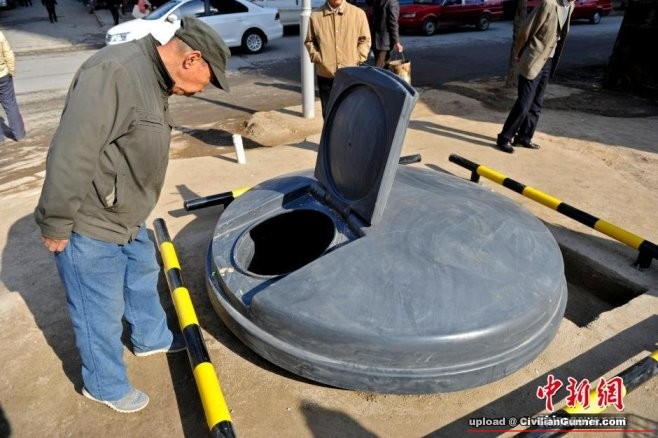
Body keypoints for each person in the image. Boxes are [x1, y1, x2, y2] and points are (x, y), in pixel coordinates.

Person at [34, 17, 230, 414]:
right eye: (209, 80)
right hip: (92, 220)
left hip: (127, 216)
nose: (204, 89)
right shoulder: (116, 72)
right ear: (192, 59)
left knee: (142, 275)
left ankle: (150, 338)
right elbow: (73, 149)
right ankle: (103, 385)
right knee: (98, 310)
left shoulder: (154, 79)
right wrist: (56, 220)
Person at [495, 0, 574, 153]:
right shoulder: (548, 4)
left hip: (548, 61)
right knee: (524, 104)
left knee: (536, 104)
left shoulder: (570, 6)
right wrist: (518, 54)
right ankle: (504, 138)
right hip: (532, 59)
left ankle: (524, 137)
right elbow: (526, 30)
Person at [304, 0, 371, 119]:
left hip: (351, 75)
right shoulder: (315, 16)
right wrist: (319, 58)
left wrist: (357, 58)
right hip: (326, 75)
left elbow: (365, 40)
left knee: (350, 114)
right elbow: (310, 41)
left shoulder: (358, 13)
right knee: (329, 115)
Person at [0, 31, 26, 145]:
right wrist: (11, 70)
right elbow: (8, 53)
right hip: (3, 75)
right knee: (10, 104)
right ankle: (19, 134)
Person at [371, 0, 403, 68]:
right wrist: (397, 42)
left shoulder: (378, 1)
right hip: (384, 42)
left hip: (377, 40)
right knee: (379, 68)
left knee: (385, 66)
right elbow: (393, 23)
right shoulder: (392, 3)